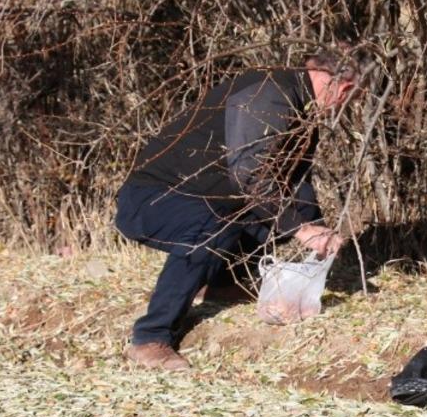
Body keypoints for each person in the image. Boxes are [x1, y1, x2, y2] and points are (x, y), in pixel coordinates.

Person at [115, 47, 361, 371]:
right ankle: (150, 337)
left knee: (275, 215)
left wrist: (318, 229)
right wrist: (300, 230)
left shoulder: (299, 111)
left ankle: (223, 284)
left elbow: (295, 183)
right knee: (207, 231)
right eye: (352, 96)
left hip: (204, 199)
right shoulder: (269, 96)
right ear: (342, 86)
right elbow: (250, 175)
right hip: (151, 196)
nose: (347, 105)